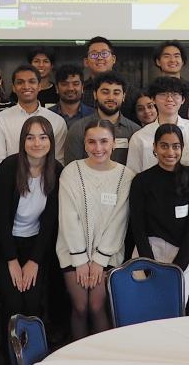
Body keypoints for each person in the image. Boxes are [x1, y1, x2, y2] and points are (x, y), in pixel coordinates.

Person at [0, 117, 62, 365]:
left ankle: (33, 353)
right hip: (3, 243)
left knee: (31, 301)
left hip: (35, 244)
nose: (36, 142)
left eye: (43, 137)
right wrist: (11, 262)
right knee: (12, 300)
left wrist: (34, 262)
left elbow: (50, 222)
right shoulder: (9, 168)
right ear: (22, 141)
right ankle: (9, 356)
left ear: (51, 141)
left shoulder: (57, 171)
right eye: (30, 137)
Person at [56, 118, 133, 339]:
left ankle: (103, 360)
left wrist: (99, 260)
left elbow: (119, 220)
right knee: (80, 307)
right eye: (92, 142)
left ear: (113, 144)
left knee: (97, 305)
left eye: (103, 141)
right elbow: (69, 217)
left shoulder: (125, 176)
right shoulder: (72, 171)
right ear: (84, 144)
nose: (98, 148)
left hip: (107, 254)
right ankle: (78, 361)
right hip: (72, 253)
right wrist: (80, 260)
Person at [128, 124, 189, 306]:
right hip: (147, 251)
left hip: (181, 254)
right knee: (144, 310)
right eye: (164, 145)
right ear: (154, 147)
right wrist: (149, 265)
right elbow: (137, 226)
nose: (170, 151)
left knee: (173, 310)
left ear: (182, 148)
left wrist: (178, 266)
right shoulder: (141, 181)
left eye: (175, 146)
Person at [0, 65, 67, 178]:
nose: (26, 86)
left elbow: (59, 162)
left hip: (47, 186)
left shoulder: (57, 121)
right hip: (10, 186)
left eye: (32, 81)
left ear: (39, 86)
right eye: (20, 82)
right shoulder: (1, 119)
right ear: (14, 88)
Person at [126, 77, 189, 172]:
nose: (169, 99)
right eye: (163, 94)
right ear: (153, 99)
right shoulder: (139, 138)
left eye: (175, 95)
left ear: (183, 99)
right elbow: (132, 173)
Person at [65, 72, 140, 164]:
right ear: (95, 95)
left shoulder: (135, 131)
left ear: (123, 96)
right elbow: (72, 168)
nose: (111, 97)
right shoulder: (78, 129)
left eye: (116, 93)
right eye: (105, 92)